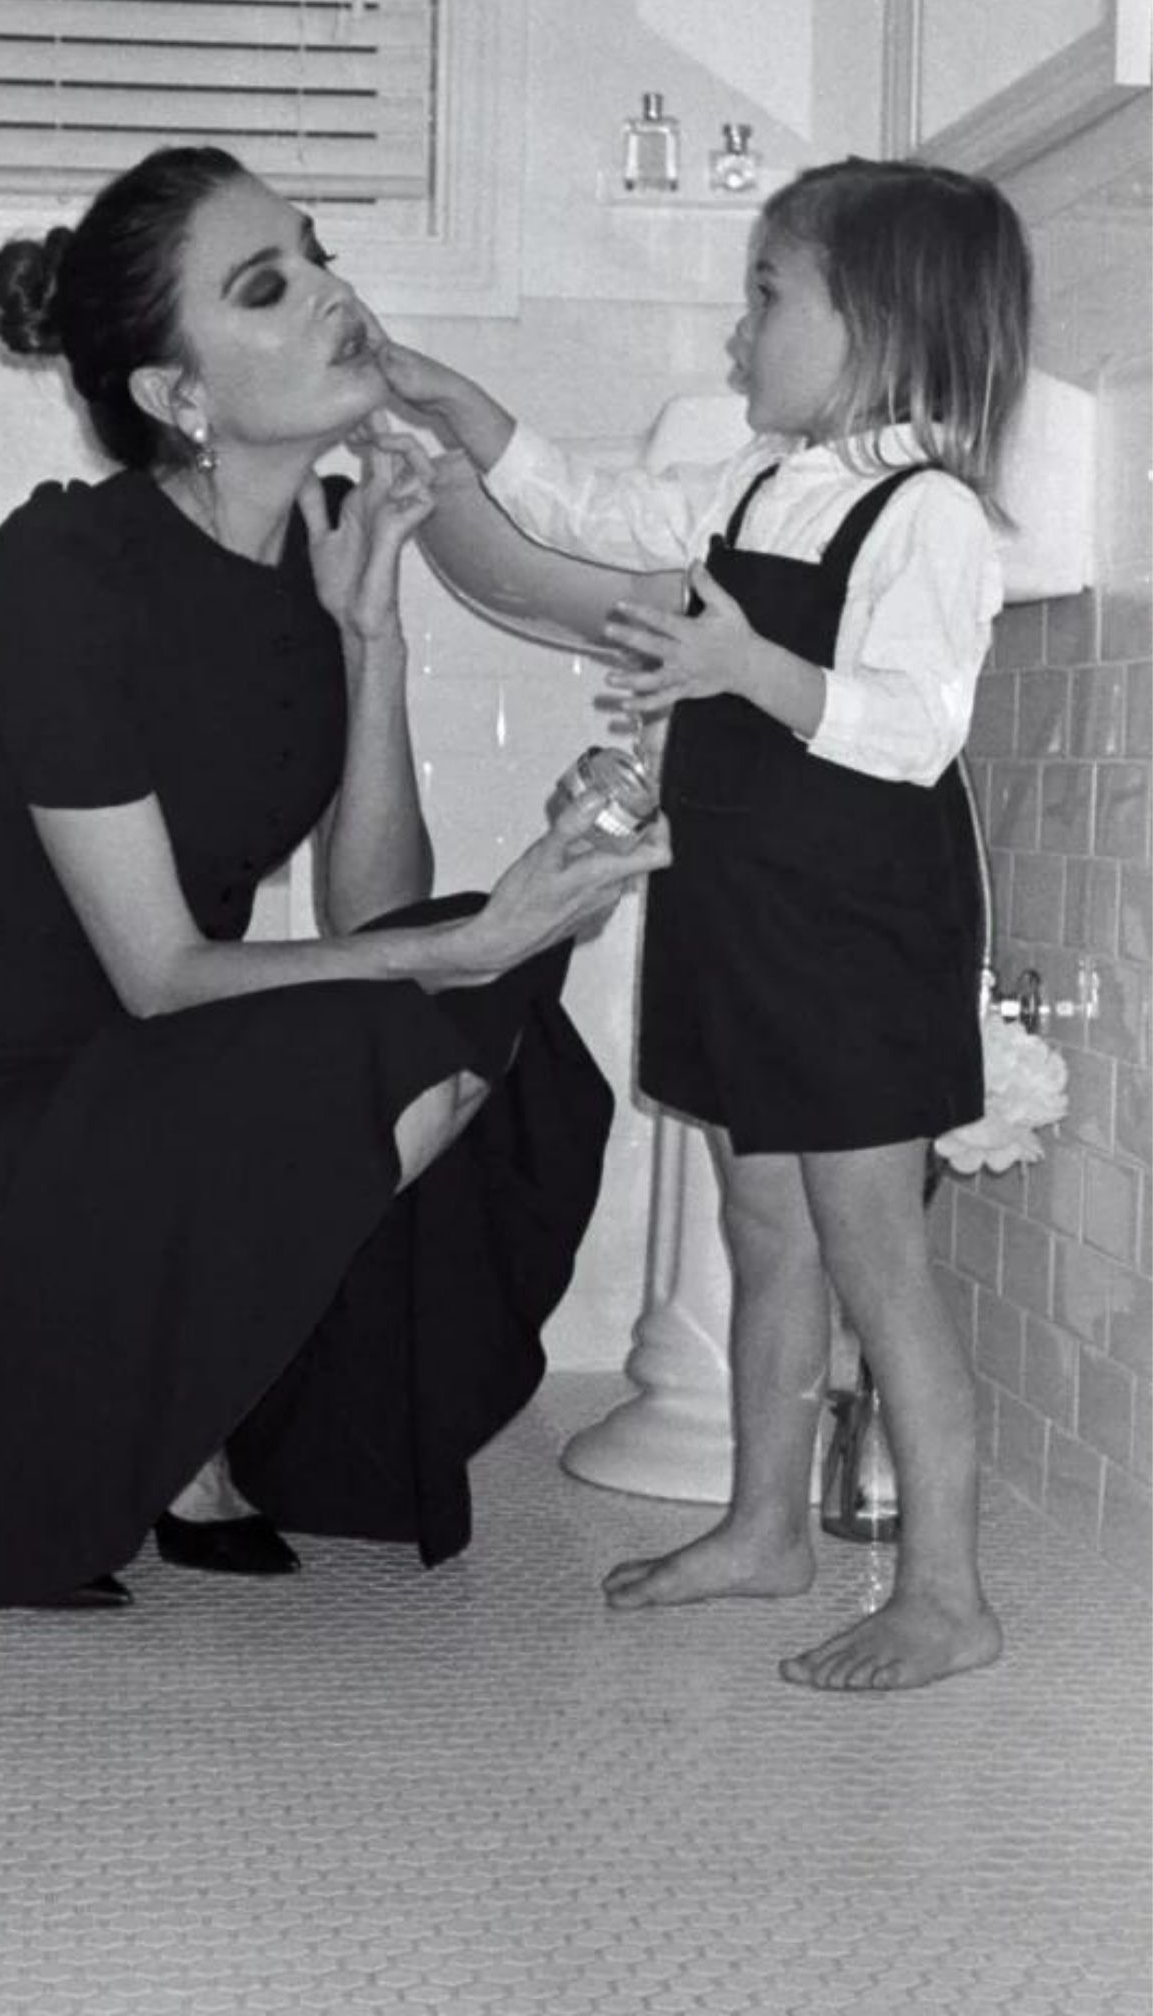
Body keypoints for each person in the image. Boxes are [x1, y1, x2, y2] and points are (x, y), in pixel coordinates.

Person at [0, 145, 669, 1610]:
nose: (331, 292)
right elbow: (159, 974)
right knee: (441, 981)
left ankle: (208, 1397)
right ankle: (117, 1418)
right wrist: (456, 951)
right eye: (268, 286)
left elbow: (373, 912)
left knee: (472, 983)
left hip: (166, 1094)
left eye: (318, 255)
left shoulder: (314, 554)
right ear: (178, 394)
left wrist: (368, 634)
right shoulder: (61, 570)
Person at [379, 157, 1028, 1691]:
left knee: (875, 1255)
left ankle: (947, 1593)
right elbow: (599, 512)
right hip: (744, 918)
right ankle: (764, 1526)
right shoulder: (755, 482)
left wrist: (744, 672)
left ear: (877, 325)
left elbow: (913, 728)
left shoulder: (930, 516)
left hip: (859, 941)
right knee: (763, 1229)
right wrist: (473, 413)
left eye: (767, 295)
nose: (740, 332)